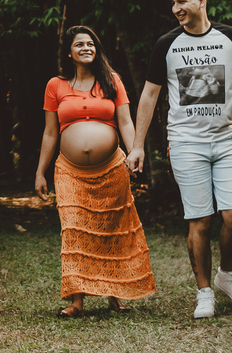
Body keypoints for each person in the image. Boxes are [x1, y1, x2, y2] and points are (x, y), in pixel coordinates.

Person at [128, 0, 232, 319]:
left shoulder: (230, 37)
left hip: (226, 139)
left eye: (182, 2)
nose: (176, 9)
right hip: (185, 142)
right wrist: (137, 145)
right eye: (173, 4)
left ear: (201, 0)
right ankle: (204, 291)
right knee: (201, 220)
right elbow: (150, 95)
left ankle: (227, 276)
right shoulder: (167, 44)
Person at [36, 25, 157, 318]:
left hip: (111, 168)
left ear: (97, 48)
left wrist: (134, 152)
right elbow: (50, 133)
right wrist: (40, 172)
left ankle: (114, 296)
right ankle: (77, 302)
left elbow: (126, 122)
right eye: (79, 44)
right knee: (74, 230)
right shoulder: (56, 85)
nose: (86, 48)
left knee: (111, 229)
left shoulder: (112, 81)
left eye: (90, 43)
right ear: (69, 52)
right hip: (69, 170)